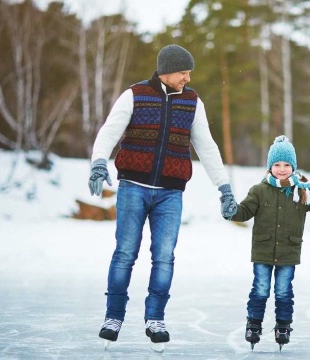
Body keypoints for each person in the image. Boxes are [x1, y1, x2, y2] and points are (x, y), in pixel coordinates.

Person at [87, 44, 238, 348]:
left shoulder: (193, 103)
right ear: (167, 70)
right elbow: (109, 131)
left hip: (171, 193)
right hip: (133, 187)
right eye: (184, 72)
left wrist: (224, 187)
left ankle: (155, 318)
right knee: (125, 253)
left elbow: (207, 147)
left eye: (189, 72)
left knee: (164, 257)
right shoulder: (135, 95)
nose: (188, 77)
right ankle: (113, 316)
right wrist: (99, 162)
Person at [226, 135, 310, 350]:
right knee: (261, 289)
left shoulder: (301, 191)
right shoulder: (259, 190)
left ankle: (283, 325)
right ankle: (254, 324)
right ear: (270, 166)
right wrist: (231, 211)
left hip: (288, 251)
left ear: (293, 166)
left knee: (284, 291)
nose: (282, 169)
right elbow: (244, 211)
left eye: (286, 165)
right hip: (263, 250)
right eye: (277, 164)